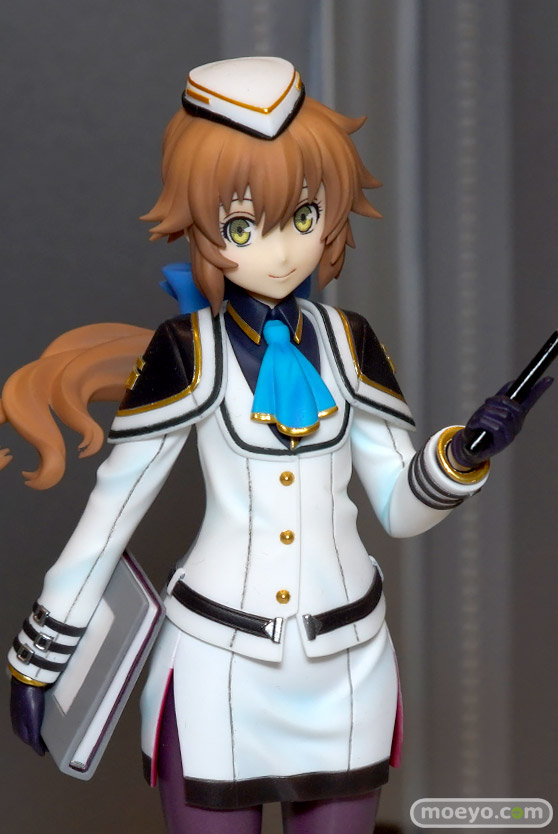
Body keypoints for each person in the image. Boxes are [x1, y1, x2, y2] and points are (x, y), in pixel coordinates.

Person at [4, 57, 551, 834]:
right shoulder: (187, 351)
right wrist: (42, 655)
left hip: (347, 665)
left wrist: (463, 454)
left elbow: (399, 506)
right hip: (216, 666)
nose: (284, 250)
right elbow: (112, 513)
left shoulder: (350, 343)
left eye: (304, 215)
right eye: (241, 227)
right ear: (199, 225)